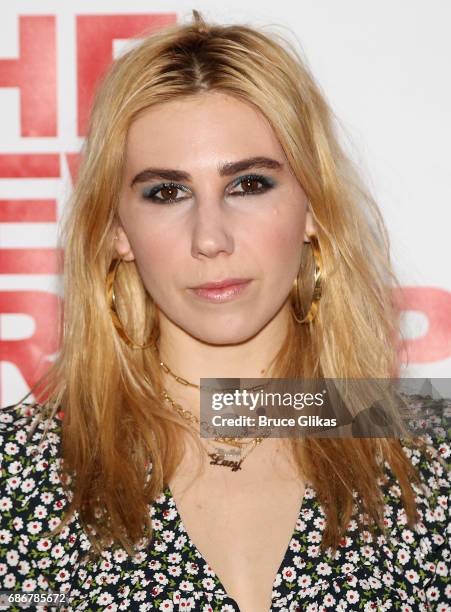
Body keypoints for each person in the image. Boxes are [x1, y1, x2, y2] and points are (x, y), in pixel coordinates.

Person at [0, 9, 449, 612]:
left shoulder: (428, 454)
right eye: (167, 192)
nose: (210, 238)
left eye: (249, 185)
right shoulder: (16, 476)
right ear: (116, 231)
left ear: (313, 206)